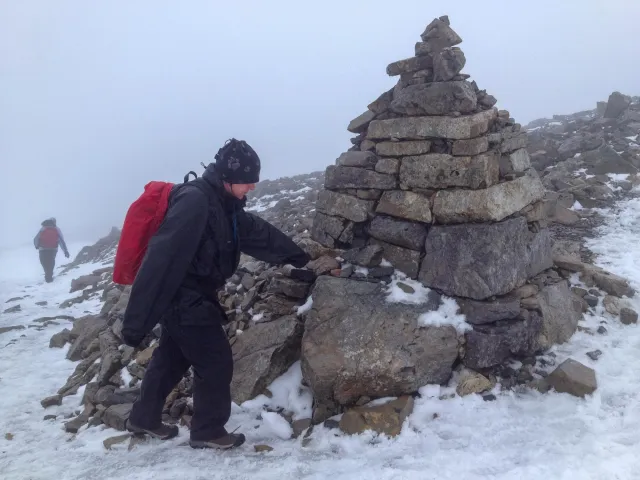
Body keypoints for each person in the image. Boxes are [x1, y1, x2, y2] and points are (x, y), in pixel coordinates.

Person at [121, 139, 310, 450]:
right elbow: (161, 260)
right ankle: (207, 430)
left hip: (195, 296)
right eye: (247, 181)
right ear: (227, 177)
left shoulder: (225, 205)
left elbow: (258, 233)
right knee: (215, 360)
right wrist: (134, 325)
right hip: (184, 297)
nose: (251, 187)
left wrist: (298, 256)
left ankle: (143, 418)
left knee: (171, 358)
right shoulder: (195, 203)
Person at [33, 218, 70, 283]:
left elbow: (36, 238)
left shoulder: (43, 228)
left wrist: (36, 246)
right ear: (54, 222)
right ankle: (49, 276)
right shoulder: (57, 229)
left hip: (42, 249)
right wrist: (65, 251)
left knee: (44, 262)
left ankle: (47, 276)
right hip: (53, 249)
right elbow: (61, 241)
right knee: (51, 262)